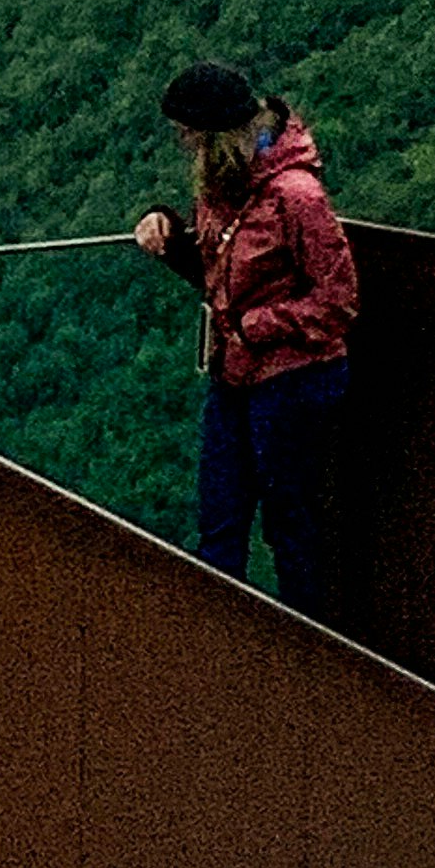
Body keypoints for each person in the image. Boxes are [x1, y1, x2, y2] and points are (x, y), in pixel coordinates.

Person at [133, 60, 358, 619]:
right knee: (221, 519)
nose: (183, 144)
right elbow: (222, 276)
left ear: (213, 134)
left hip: (296, 379)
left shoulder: (297, 197)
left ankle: (312, 649)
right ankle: (223, 647)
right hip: (236, 372)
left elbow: (339, 300)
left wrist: (260, 326)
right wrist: (169, 234)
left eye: (187, 133)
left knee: (291, 523)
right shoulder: (224, 187)